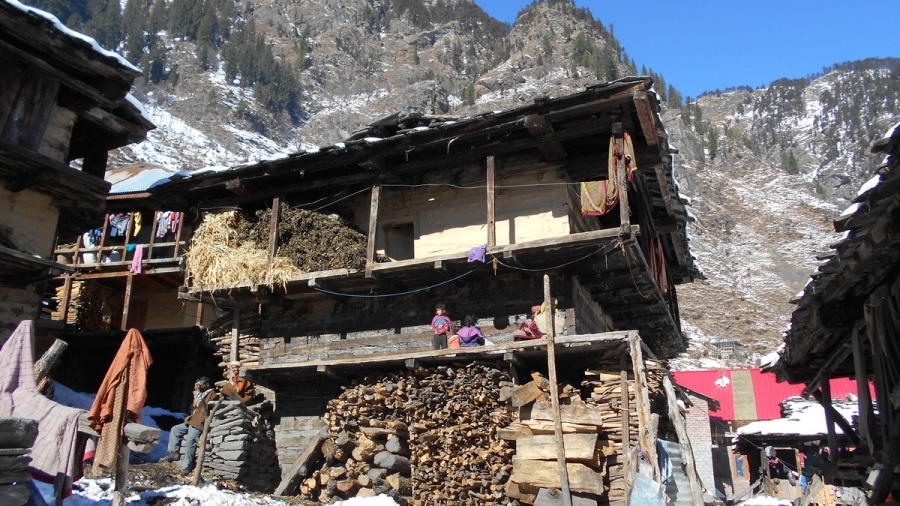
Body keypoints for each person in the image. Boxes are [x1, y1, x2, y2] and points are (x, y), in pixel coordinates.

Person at [162, 376, 219, 476]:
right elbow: (195, 408)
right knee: (175, 430)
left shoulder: (212, 394)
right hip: (193, 420)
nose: (200, 386)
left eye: (202, 384)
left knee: (190, 441)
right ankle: (173, 452)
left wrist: (197, 393)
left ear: (207, 385)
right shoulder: (201, 394)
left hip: (199, 422)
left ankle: (186, 466)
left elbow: (204, 407)